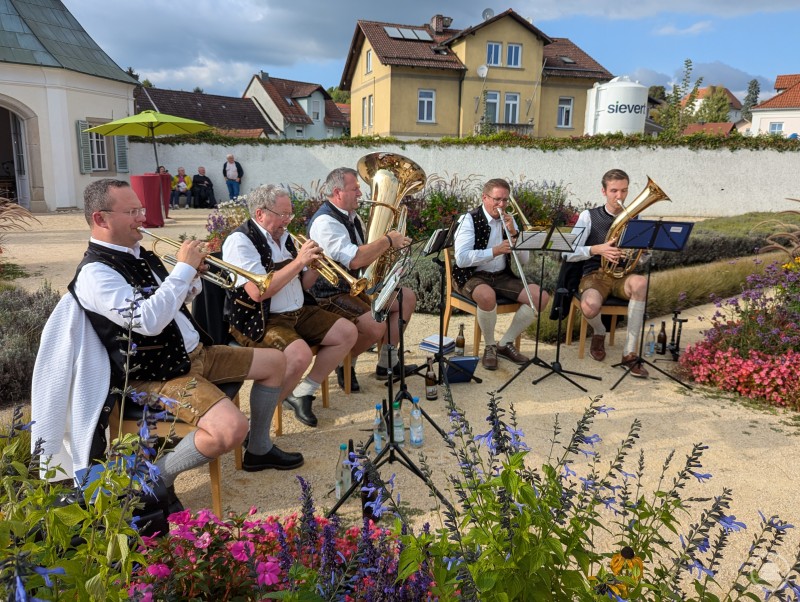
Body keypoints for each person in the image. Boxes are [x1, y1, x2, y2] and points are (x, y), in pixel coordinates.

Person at [69, 180, 302, 495]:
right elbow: (147, 320)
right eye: (132, 211)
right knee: (231, 429)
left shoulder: (138, 254)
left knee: (276, 362)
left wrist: (191, 279)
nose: (142, 217)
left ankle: (258, 449)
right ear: (101, 219)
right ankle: (153, 480)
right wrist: (181, 270)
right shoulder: (96, 274)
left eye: (141, 209)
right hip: (157, 374)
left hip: (191, 354)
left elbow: (171, 303)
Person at [222, 184, 358, 427]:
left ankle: (303, 391)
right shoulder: (240, 241)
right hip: (261, 318)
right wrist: (299, 261)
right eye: (282, 214)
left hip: (298, 311)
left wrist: (316, 267)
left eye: (290, 214)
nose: (287, 221)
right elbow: (257, 293)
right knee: (299, 356)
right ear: (260, 214)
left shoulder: (285, 238)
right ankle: (257, 424)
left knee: (347, 332)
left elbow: (304, 285)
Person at [307, 167, 417, 391]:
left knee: (406, 297)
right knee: (374, 324)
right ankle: (344, 362)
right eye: (354, 188)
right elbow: (355, 260)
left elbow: (365, 255)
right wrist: (387, 240)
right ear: (338, 193)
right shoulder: (325, 223)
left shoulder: (352, 217)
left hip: (354, 287)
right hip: (329, 294)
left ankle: (387, 362)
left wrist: (394, 258)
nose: (360, 193)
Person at [452, 178, 550, 370]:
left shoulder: (510, 220)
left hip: (502, 275)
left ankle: (504, 344)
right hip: (471, 275)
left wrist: (514, 234)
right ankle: (489, 346)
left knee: (540, 297)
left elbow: (524, 260)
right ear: (484, 198)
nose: (502, 205)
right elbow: (462, 259)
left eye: (505, 200)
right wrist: (494, 251)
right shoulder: (468, 220)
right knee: (487, 297)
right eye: (497, 199)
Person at [563, 168, 649, 377]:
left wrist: (643, 252)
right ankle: (600, 332)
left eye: (624, 191)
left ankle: (629, 353)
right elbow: (568, 254)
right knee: (590, 307)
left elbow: (642, 258)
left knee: (641, 283)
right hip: (595, 274)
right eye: (614, 191)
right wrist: (597, 249)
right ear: (603, 192)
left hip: (622, 275)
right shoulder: (589, 216)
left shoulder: (634, 217)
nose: (619, 196)